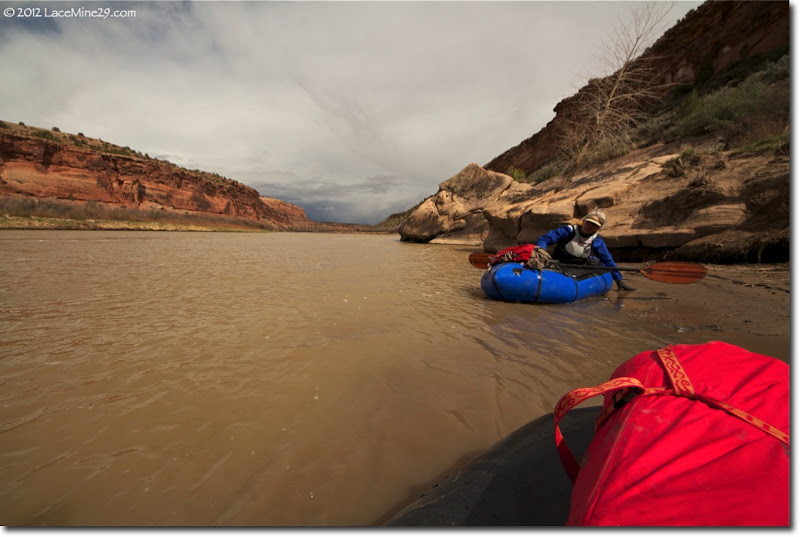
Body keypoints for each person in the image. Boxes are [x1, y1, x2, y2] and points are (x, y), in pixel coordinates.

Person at [534, 210, 636, 292]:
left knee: (599, 263)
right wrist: (541, 251)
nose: (590, 227)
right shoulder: (567, 231)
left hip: (580, 266)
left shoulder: (597, 240)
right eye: (589, 223)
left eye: (594, 225)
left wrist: (618, 279)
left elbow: (607, 259)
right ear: (583, 221)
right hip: (559, 263)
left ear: (598, 228)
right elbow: (544, 239)